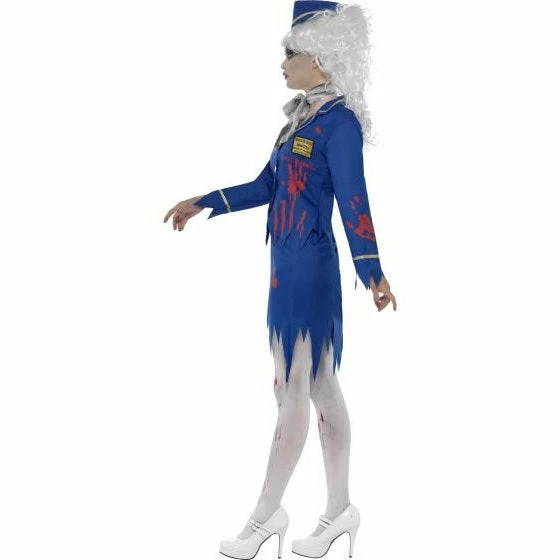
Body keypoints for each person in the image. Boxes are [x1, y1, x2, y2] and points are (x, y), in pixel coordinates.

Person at [163, 1, 397, 558]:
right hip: (283, 271)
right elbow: (265, 186)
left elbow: (354, 200)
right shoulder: (297, 123)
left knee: (294, 388)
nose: (282, 62)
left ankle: (266, 514)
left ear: (320, 56)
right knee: (316, 385)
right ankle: (340, 510)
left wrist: (372, 270)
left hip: (311, 269)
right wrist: (205, 200)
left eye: (291, 53)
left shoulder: (339, 123)